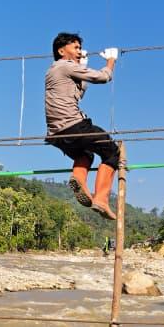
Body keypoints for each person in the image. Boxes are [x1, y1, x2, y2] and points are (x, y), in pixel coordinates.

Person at [44, 32, 120, 220]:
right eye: (75, 48)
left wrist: (82, 65)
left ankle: (78, 178)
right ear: (61, 51)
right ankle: (101, 199)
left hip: (57, 133)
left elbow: (78, 93)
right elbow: (103, 77)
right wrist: (111, 60)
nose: (79, 51)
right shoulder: (65, 66)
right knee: (111, 151)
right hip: (73, 125)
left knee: (85, 154)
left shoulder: (54, 71)